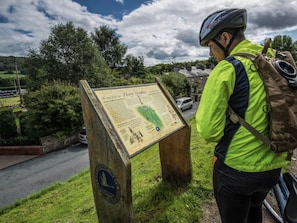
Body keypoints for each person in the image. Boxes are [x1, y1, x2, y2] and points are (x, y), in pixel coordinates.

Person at [195, 8, 289, 223]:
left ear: (225, 38)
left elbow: (209, 131)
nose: (210, 53)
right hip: (273, 166)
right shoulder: (273, 60)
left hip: (236, 171)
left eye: (210, 45)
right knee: (255, 208)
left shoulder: (227, 68)